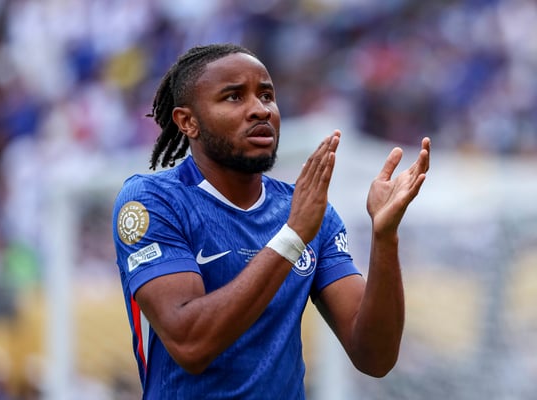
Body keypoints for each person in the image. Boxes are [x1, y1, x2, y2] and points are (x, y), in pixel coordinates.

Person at [112, 43, 430, 399]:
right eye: (234, 97)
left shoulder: (310, 213)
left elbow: (375, 357)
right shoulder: (153, 201)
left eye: (266, 95)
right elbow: (191, 344)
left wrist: (384, 237)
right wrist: (292, 236)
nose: (260, 109)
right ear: (188, 122)